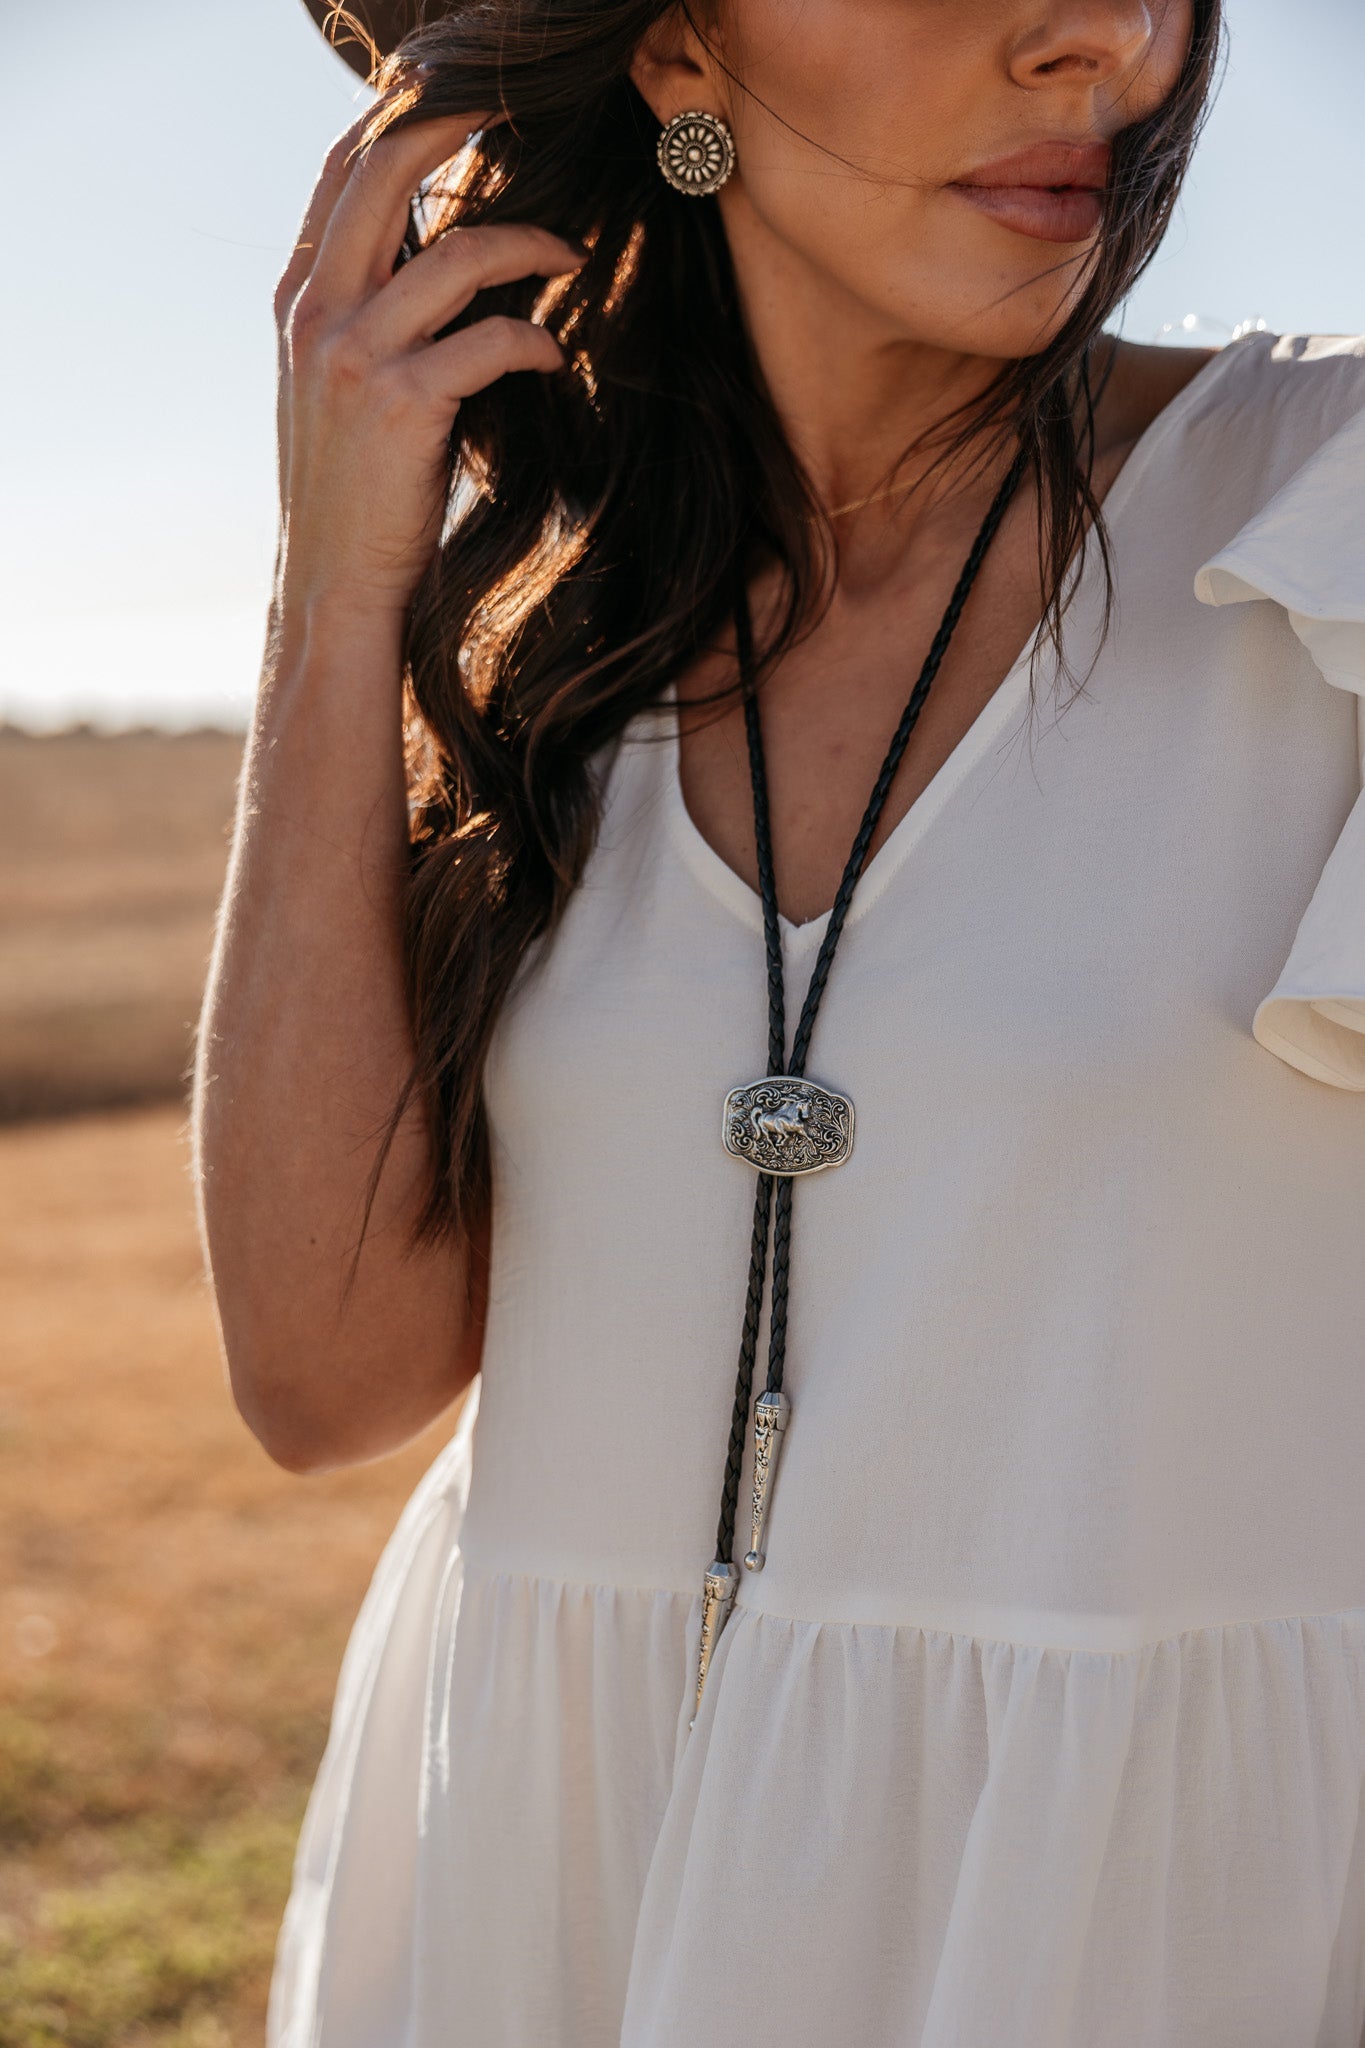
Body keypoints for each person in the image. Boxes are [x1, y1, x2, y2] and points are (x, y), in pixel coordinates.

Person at [191, 0, 1365, 2039]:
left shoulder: (1321, 519)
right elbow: (323, 1367)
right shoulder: (559, 644)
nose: (1104, 43)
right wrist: (337, 586)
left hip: (1138, 1928)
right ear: (670, 56)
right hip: (558, 1875)